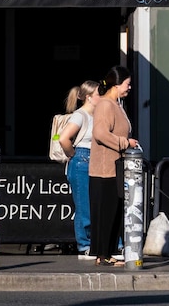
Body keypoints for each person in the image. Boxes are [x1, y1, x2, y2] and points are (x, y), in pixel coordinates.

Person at [89, 66, 138, 267]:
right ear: (117, 84)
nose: (130, 87)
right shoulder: (106, 105)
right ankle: (102, 254)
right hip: (104, 170)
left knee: (114, 211)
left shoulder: (117, 105)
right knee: (106, 212)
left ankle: (107, 252)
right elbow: (100, 133)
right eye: (127, 84)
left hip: (114, 168)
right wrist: (125, 143)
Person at [58, 80, 100, 260]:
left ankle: (91, 244)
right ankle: (84, 245)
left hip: (94, 159)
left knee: (93, 204)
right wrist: (74, 155)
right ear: (89, 97)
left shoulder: (96, 115)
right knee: (84, 207)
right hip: (82, 159)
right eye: (99, 94)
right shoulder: (80, 115)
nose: (103, 97)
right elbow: (63, 138)